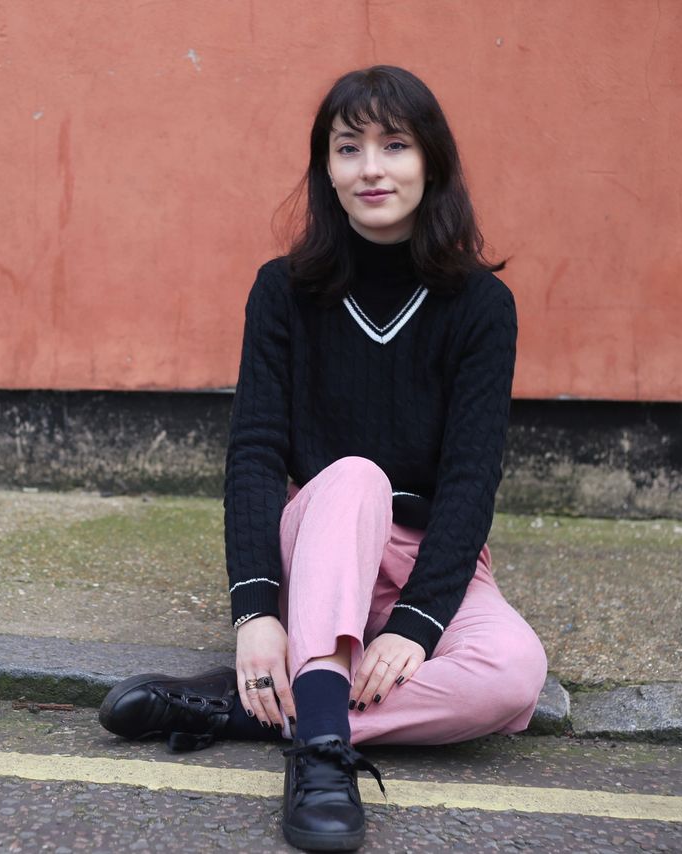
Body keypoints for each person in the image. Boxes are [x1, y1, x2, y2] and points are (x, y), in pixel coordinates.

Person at [99, 65, 547, 852]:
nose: (371, 168)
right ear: (327, 171)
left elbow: (472, 478)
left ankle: (251, 711)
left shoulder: (481, 307)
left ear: (431, 162)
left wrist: (415, 624)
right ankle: (321, 762)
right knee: (356, 476)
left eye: (394, 145)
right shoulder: (284, 292)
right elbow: (254, 455)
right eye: (348, 148)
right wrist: (256, 615)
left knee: (514, 675)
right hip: (321, 544)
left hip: (424, 560)